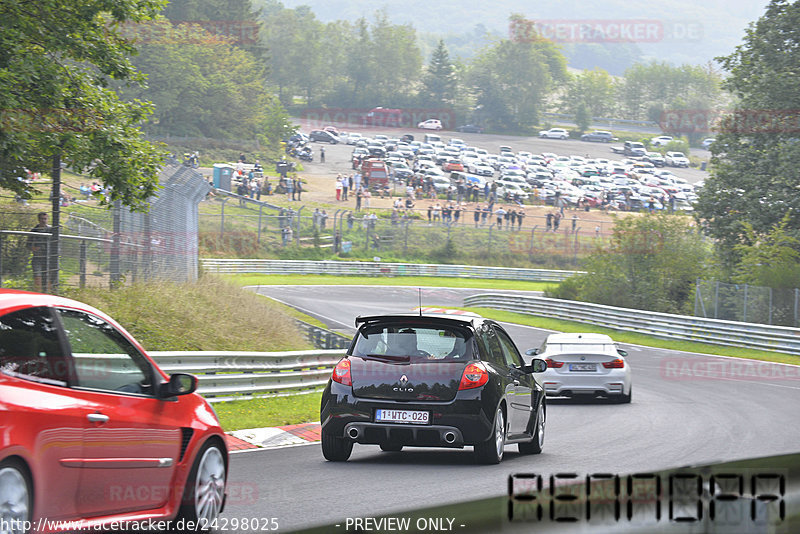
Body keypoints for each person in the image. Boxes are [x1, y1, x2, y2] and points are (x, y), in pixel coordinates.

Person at [27, 212, 51, 292]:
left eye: (45, 219)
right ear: (38, 219)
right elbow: (28, 244)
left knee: (48, 278)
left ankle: (49, 295)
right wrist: (33, 248)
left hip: (49, 258)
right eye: (42, 219)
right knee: (37, 277)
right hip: (37, 258)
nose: (43, 221)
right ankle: (38, 294)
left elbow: (57, 243)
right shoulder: (34, 230)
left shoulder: (51, 230)